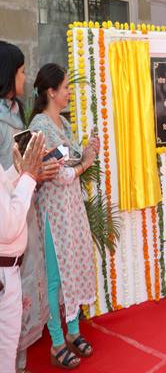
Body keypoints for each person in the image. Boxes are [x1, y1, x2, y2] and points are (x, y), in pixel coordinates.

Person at [29, 63, 100, 369]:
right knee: (55, 277)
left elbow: (71, 160)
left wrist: (88, 151)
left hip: (71, 210)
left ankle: (73, 331)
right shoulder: (39, 126)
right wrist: (86, 162)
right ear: (51, 91)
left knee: (73, 266)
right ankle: (57, 342)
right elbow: (61, 174)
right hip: (52, 214)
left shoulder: (64, 124)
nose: (69, 92)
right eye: (66, 87)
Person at [0, 40, 58, 373]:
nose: (25, 77)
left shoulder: (14, 112)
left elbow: (10, 173)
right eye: (21, 71)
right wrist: (29, 175)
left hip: (21, 212)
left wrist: (33, 171)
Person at [0, 132, 44, 373]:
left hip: (7, 272)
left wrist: (17, 172)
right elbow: (8, 227)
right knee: (5, 356)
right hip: (3, 276)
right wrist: (28, 176)